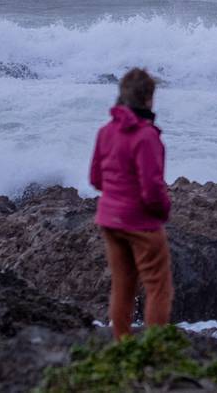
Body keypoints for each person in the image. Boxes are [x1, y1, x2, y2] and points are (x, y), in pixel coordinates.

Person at [89, 68, 172, 339]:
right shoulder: (146, 136)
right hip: (141, 222)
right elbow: (152, 189)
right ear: (148, 98)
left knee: (122, 286)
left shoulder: (106, 131)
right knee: (157, 287)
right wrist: (163, 211)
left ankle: (121, 345)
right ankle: (153, 348)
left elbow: (96, 179)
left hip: (110, 220)